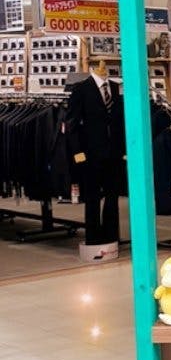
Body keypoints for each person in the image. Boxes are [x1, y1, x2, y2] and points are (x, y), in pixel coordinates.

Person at [66, 58, 125, 245]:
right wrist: (77, 153)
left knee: (112, 196)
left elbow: (121, 121)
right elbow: (72, 124)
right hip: (90, 153)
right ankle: (93, 238)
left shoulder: (116, 88)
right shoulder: (82, 89)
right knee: (92, 197)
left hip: (114, 153)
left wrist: (124, 149)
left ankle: (111, 236)